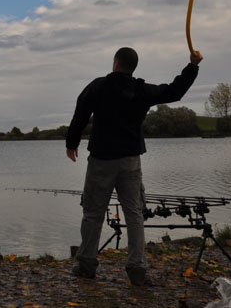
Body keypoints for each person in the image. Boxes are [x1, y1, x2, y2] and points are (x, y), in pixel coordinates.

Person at [65, 47, 203, 286]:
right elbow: (174, 91)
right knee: (134, 214)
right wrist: (192, 66)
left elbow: (81, 111)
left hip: (101, 160)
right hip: (130, 161)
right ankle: (137, 269)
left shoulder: (98, 86)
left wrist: (72, 143)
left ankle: (86, 266)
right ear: (133, 67)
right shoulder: (142, 90)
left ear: (116, 63)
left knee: (93, 213)